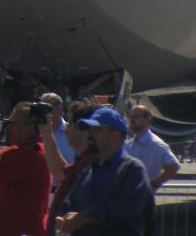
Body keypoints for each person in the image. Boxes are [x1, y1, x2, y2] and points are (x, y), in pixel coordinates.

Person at [57, 107, 154, 235]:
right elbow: (68, 204)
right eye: (88, 130)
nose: (89, 134)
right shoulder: (89, 171)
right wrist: (64, 220)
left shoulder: (132, 169)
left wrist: (86, 217)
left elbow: (127, 208)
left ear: (115, 135)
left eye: (95, 130)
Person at [0, 101, 51, 236]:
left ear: (31, 128)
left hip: (22, 231)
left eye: (14, 124)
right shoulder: (19, 151)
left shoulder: (31, 154)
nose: (8, 128)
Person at [39, 100, 96, 236]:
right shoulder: (84, 163)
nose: (67, 128)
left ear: (84, 130)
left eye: (70, 123)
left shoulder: (93, 165)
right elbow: (60, 172)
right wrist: (47, 134)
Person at [124, 104, 180, 189]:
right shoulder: (128, 144)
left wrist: (153, 185)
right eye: (130, 117)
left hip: (143, 198)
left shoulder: (156, 145)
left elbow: (173, 167)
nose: (132, 120)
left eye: (136, 117)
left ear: (148, 118)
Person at [41, 93, 76, 165]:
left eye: (48, 108)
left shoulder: (72, 131)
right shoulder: (39, 133)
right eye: (43, 109)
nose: (45, 112)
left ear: (59, 108)